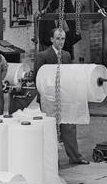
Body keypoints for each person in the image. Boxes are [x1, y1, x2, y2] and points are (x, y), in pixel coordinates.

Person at [34, 27, 89, 165]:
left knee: (69, 126)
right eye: (58, 38)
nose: (61, 41)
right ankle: (52, 160)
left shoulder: (66, 55)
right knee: (51, 129)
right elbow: (38, 78)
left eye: (63, 38)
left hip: (65, 97)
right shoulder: (43, 56)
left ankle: (75, 157)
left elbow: (68, 76)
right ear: (52, 39)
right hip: (48, 98)